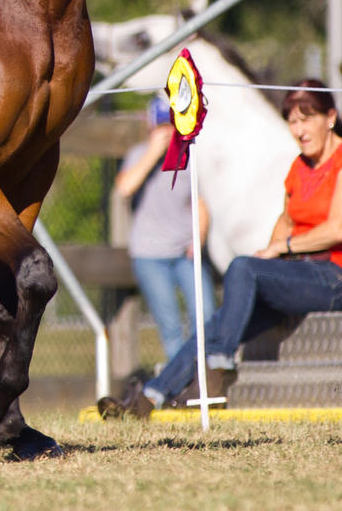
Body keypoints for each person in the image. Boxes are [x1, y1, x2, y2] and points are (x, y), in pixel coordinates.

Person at [99, 78, 342, 419]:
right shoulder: (299, 168)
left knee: (242, 268)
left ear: (330, 117)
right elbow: (285, 221)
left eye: (307, 119)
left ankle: (217, 367)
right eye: (292, 121)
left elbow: (336, 229)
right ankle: (147, 398)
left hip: (333, 277)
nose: (299, 129)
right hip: (300, 276)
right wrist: (270, 250)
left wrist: (280, 250)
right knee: (215, 324)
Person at [117, 95, 216, 361]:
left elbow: (201, 203)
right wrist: (153, 154)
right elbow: (125, 187)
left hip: (185, 253)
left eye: (169, 125)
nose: (165, 132)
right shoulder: (138, 155)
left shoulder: (189, 156)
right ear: (150, 127)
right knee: (170, 326)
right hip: (150, 256)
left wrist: (199, 238)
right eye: (160, 125)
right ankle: (179, 380)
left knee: (205, 315)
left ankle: (204, 373)